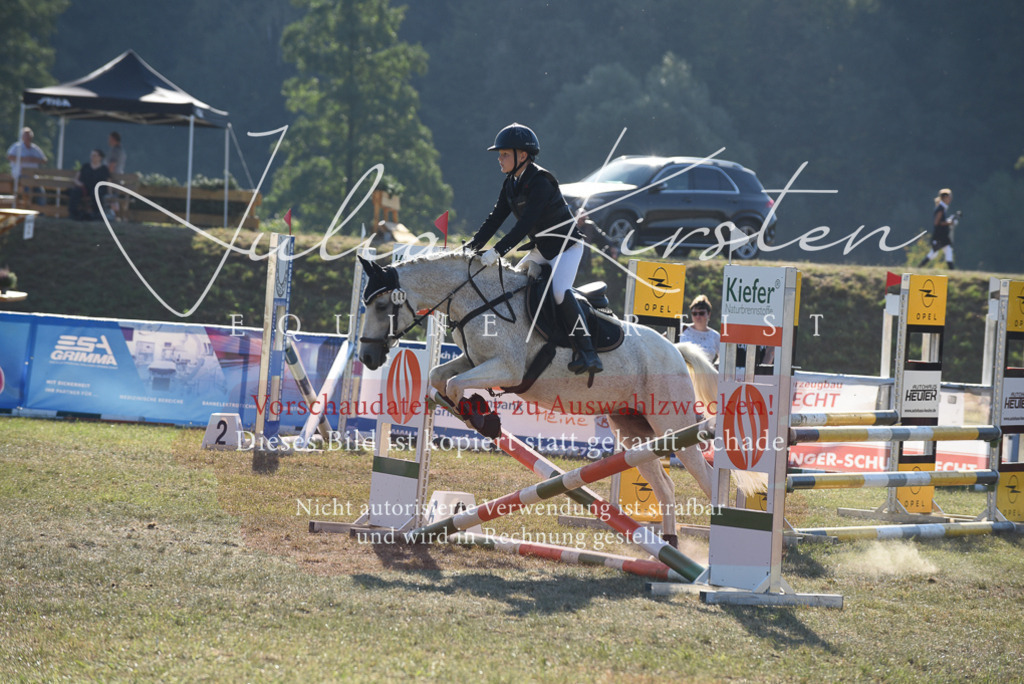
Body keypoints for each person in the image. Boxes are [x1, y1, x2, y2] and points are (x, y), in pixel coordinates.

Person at [466, 123, 601, 375]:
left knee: (559, 291)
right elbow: (495, 219)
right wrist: (471, 247)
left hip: (566, 248)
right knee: (513, 288)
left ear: (523, 155)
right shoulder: (511, 184)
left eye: (505, 154)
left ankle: (587, 352)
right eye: (500, 154)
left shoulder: (541, 182)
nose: (499, 158)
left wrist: (497, 251)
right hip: (543, 248)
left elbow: (526, 223)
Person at [918, 188, 958, 270]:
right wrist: (949, 222)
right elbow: (937, 223)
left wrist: (948, 221)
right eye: (949, 197)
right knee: (934, 253)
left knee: (946, 252)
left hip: (942, 236)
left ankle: (952, 271)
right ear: (945, 198)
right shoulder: (941, 209)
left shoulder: (942, 208)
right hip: (940, 236)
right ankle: (919, 267)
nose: (950, 199)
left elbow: (940, 221)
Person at [6, 127, 47, 203]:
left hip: (33, 176)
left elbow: (44, 160)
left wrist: (33, 159)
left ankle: (41, 210)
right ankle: (28, 206)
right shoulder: (17, 147)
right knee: (28, 188)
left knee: (40, 191)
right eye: (26, 136)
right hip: (20, 175)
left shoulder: (35, 148)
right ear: (22, 137)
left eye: (29, 136)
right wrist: (23, 159)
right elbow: (9, 156)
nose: (27, 138)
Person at [68, 149, 111, 220]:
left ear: (100, 157)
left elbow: (108, 181)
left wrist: (110, 193)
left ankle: (96, 214)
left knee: (96, 193)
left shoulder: (104, 169)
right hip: (85, 188)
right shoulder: (85, 166)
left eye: (95, 155)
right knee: (75, 191)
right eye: (92, 155)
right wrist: (79, 183)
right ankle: (73, 213)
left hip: (98, 189)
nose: (92, 157)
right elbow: (76, 179)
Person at [679, 294, 720, 364]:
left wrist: (715, 366)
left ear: (709, 314)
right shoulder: (682, 329)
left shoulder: (715, 336)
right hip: (683, 373)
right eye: (694, 313)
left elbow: (724, 358)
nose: (698, 316)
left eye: (701, 313)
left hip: (706, 374)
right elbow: (662, 340)